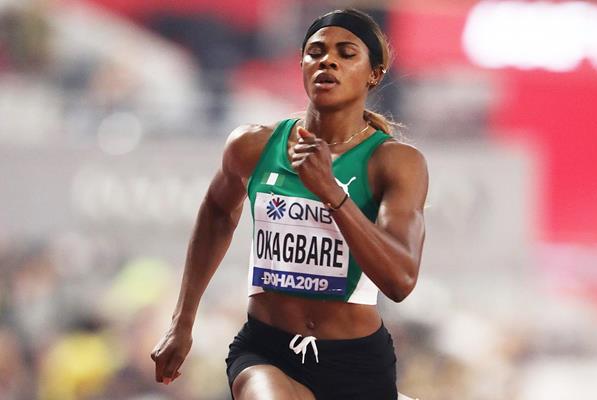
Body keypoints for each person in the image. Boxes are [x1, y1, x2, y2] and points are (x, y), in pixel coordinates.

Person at [151, 8, 428, 400]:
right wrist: (182, 322)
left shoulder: (395, 162)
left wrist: (332, 193)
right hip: (267, 351)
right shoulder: (252, 145)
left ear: (374, 74)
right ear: (301, 65)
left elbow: (400, 281)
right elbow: (217, 214)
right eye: (315, 52)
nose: (327, 61)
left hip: (356, 362)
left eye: (346, 53)